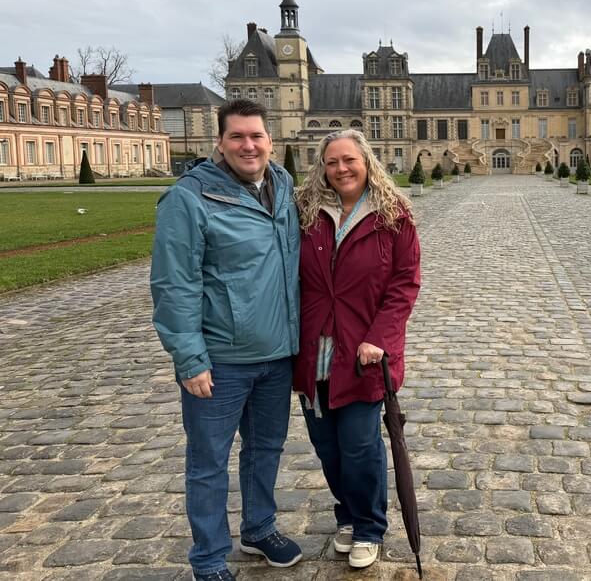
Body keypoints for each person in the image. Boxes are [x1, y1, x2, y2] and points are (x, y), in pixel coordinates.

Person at [151, 99, 302, 581]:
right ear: (220, 142)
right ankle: (210, 558)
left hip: (277, 355)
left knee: (265, 450)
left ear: (270, 140)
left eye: (256, 135)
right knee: (208, 463)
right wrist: (189, 358)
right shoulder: (190, 197)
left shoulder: (284, 187)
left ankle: (259, 528)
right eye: (237, 136)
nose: (248, 145)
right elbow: (174, 284)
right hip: (220, 359)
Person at [293, 129, 421, 570]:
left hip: (364, 351)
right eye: (332, 162)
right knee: (327, 446)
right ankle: (346, 514)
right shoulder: (307, 212)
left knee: (360, 446)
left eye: (349, 160)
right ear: (322, 167)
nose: (341, 169)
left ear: (367, 162)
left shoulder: (393, 215)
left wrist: (380, 339)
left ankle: (369, 526)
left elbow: (405, 284)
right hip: (314, 352)